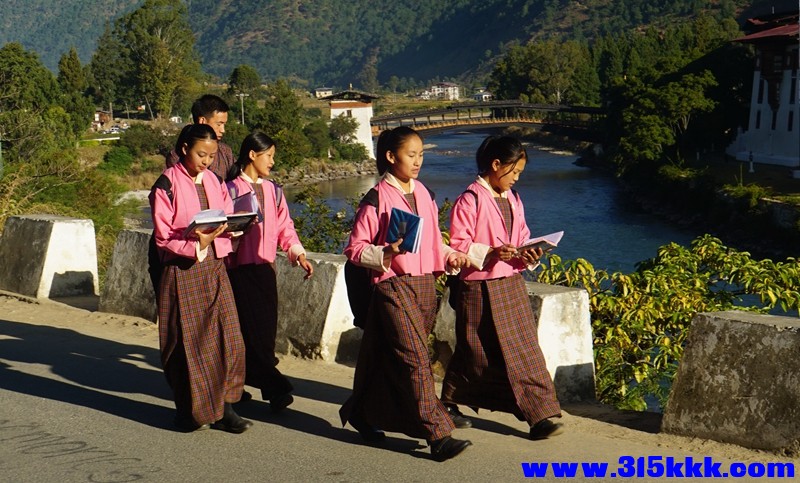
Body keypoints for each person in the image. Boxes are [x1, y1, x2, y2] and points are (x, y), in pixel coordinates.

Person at [339, 126, 473, 462]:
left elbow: (431, 243)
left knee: (389, 357)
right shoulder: (376, 199)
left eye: (421, 155)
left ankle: (362, 412)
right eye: (411, 155)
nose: (418, 162)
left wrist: (449, 256)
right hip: (391, 287)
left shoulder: (424, 193)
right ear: (390, 156)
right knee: (415, 359)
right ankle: (437, 434)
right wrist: (384, 253)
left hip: (424, 285)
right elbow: (354, 249)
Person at [440, 135, 563, 440]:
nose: (517, 178)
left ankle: (539, 415)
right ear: (496, 165)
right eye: (514, 172)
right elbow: (459, 245)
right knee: (476, 351)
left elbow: (521, 237)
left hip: (510, 283)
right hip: (478, 287)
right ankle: (449, 401)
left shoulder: (515, 199)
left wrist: (529, 253)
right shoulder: (469, 199)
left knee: (524, 350)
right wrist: (491, 252)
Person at [149, 123, 252, 434]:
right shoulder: (165, 185)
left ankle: (225, 408)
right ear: (183, 150)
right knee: (187, 345)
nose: (207, 161)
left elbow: (225, 212)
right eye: (201, 154)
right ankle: (189, 412)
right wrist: (196, 244)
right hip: (182, 270)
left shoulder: (215, 180)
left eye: (211, 155)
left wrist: (234, 227)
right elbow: (163, 238)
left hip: (215, 266)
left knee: (229, 337)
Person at [225, 131, 313, 411]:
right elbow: (221, 228)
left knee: (264, 332)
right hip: (238, 270)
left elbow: (285, 227)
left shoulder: (273, 190)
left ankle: (238, 385)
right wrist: (237, 232)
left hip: (266, 268)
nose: (272, 162)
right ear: (252, 154)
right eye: (269, 156)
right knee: (250, 331)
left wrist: (298, 253)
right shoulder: (229, 190)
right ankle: (276, 388)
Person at [166, 94, 234, 180]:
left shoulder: (225, 152)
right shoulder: (176, 156)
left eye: (224, 124)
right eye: (219, 124)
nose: (222, 130)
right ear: (202, 121)